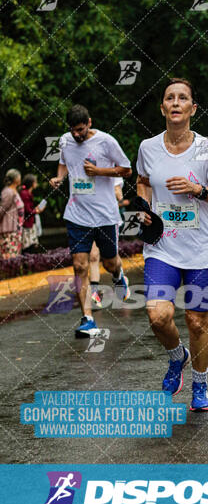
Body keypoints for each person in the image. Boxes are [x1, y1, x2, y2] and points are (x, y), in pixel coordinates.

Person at [136, 78, 208, 411]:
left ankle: (200, 385)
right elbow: (143, 182)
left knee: (196, 321)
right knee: (158, 315)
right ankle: (178, 357)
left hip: (202, 249)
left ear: (193, 108)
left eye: (183, 98)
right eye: (169, 98)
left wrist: (198, 190)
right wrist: (145, 209)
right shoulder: (148, 148)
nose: (176, 103)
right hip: (163, 246)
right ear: (163, 107)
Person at [50, 104, 132, 337]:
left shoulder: (106, 141)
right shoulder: (65, 141)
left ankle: (118, 275)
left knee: (109, 262)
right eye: (73, 130)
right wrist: (59, 177)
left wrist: (99, 171)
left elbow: (126, 170)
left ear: (89, 123)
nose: (77, 134)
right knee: (80, 265)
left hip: (105, 214)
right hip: (77, 214)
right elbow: (64, 162)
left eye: (80, 129)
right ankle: (88, 319)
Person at [90, 177, 130, 309]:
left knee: (111, 263)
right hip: (89, 218)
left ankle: (118, 276)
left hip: (109, 220)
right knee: (93, 255)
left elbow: (119, 195)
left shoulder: (111, 170)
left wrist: (109, 189)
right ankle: (94, 293)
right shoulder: (83, 169)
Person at [0, 169, 24, 259]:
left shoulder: (14, 191)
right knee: (9, 257)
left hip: (15, 230)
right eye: (19, 176)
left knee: (14, 256)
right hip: (8, 230)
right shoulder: (8, 192)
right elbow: (1, 210)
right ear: (15, 179)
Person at [19, 174, 46, 253]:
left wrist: (35, 209)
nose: (37, 184)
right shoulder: (25, 194)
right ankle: (27, 263)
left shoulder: (27, 193)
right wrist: (37, 211)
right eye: (36, 182)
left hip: (30, 223)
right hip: (26, 224)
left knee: (31, 245)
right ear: (32, 183)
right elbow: (27, 210)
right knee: (27, 246)